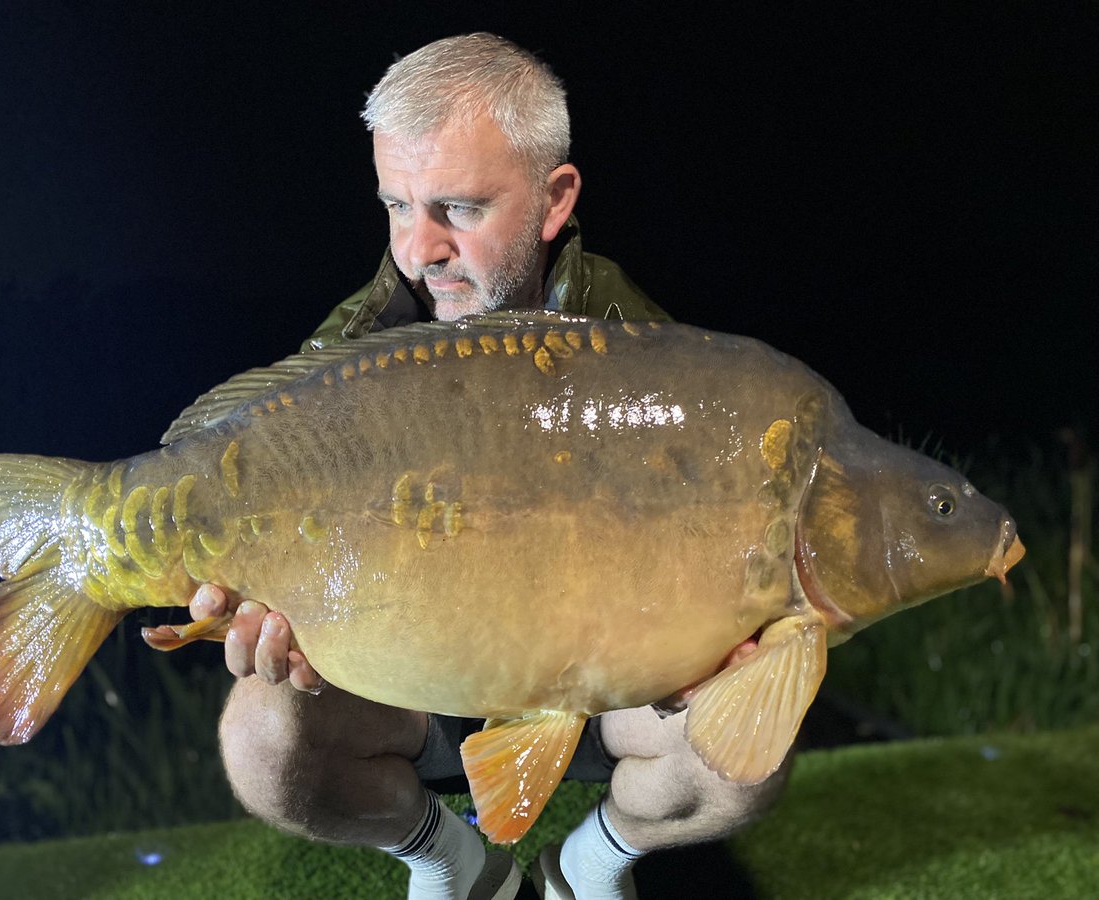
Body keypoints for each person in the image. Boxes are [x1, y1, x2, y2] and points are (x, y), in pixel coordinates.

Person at [188, 33, 789, 900]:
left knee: (749, 744)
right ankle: (454, 863)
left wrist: (721, 639)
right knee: (262, 740)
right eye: (397, 206)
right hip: (423, 681)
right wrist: (267, 609)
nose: (418, 249)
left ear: (554, 199)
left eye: (459, 209)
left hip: (605, 688)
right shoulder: (345, 358)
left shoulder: (645, 352)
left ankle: (587, 866)